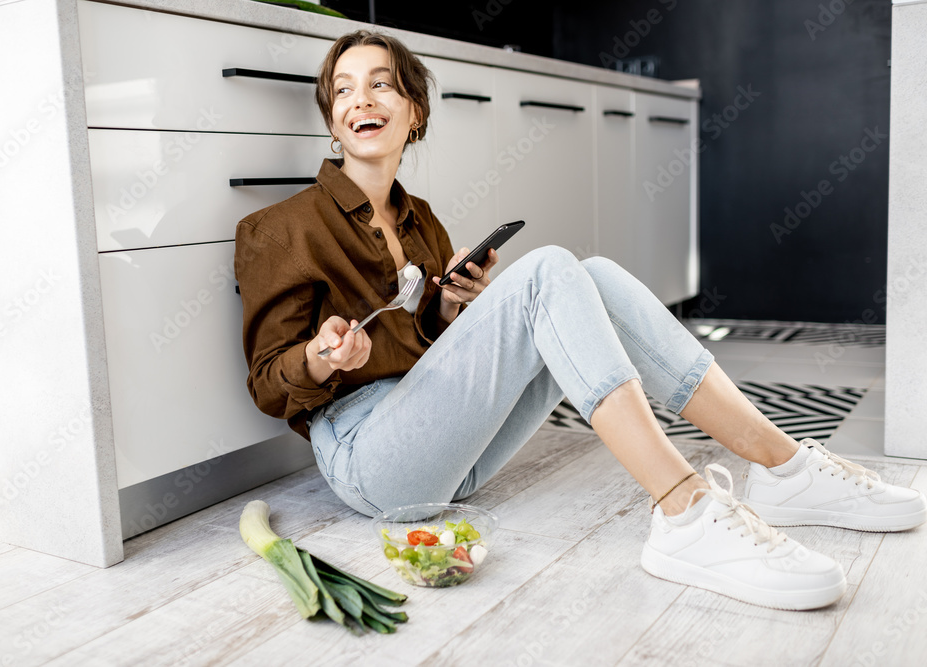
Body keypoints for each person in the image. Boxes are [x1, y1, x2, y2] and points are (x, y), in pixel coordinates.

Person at [234, 30, 926, 611]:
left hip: (448, 457)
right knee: (547, 270)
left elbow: (428, 357)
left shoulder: (423, 223)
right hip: (366, 461)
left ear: (413, 112)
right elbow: (268, 383)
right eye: (345, 88)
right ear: (331, 119)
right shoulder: (280, 227)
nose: (362, 97)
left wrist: (446, 309)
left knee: (589, 274)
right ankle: (684, 510)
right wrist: (321, 357)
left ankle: (786, 465)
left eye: (382, 84)